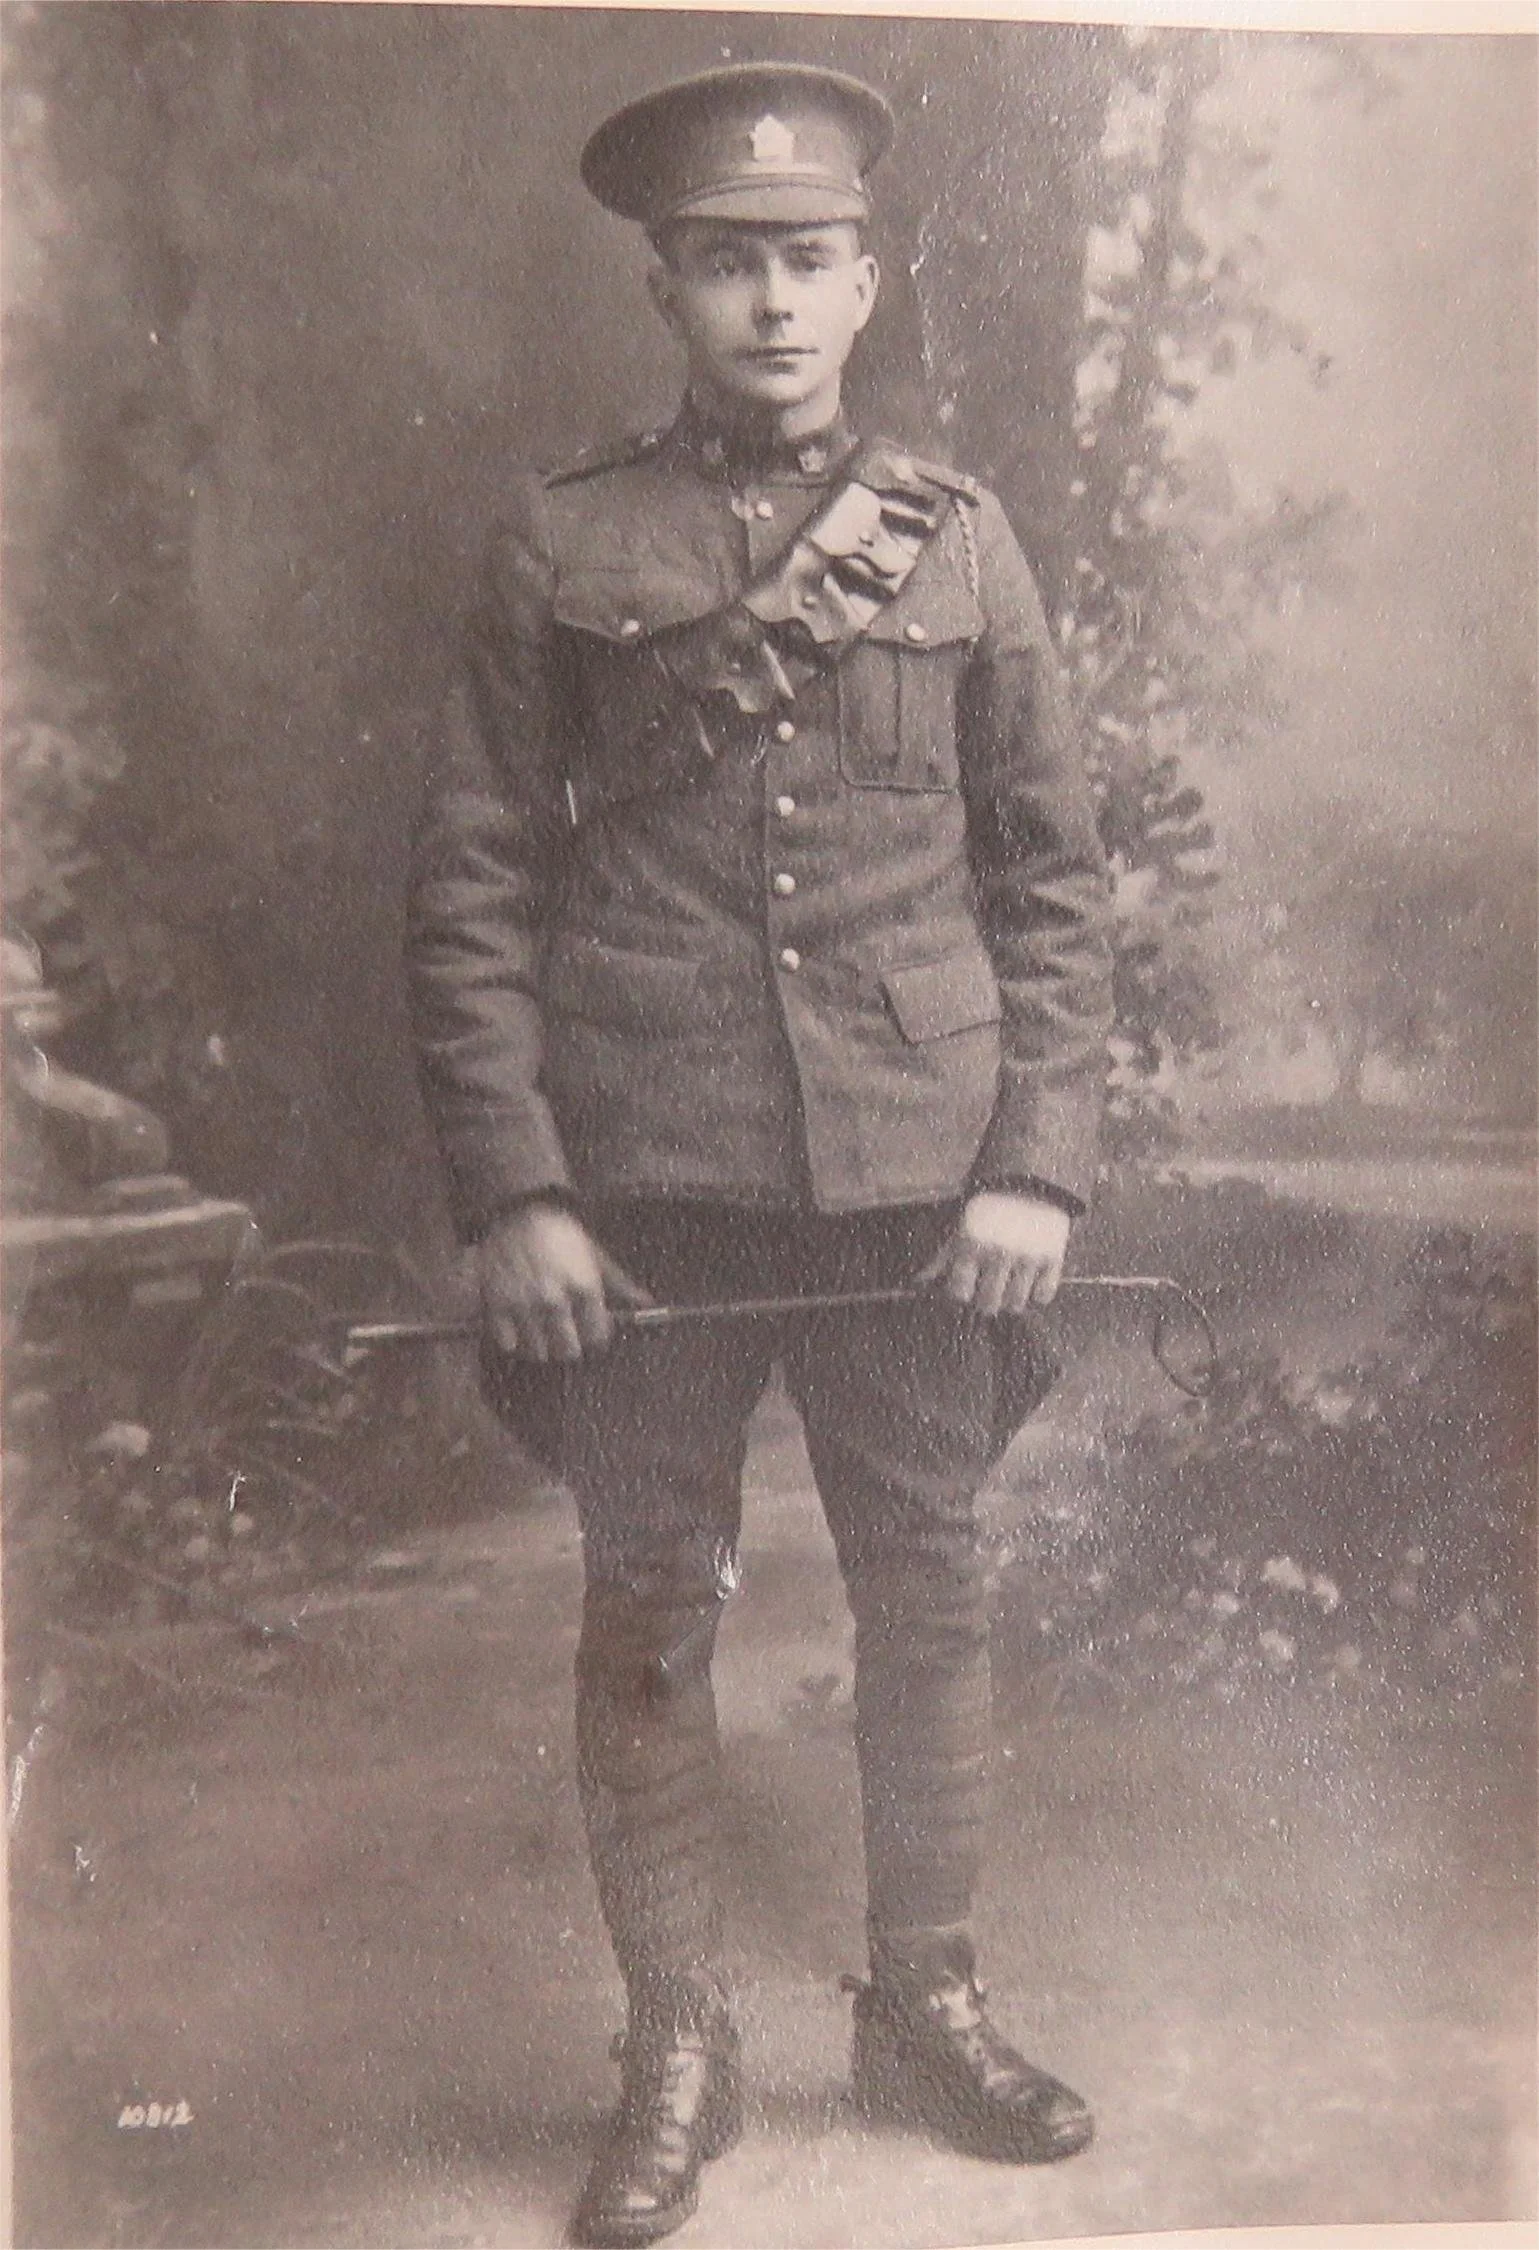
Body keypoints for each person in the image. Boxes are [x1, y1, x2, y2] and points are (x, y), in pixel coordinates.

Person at [408, 60, 1114, 2248]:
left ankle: (923, 2001)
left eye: (810, 259)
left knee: (928, 1592)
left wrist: (1038, 1169)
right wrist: (519, 1189)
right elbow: (469, 888)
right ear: (665, 286)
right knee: (644, 1609)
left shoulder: (961, 537)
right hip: (646, 1177)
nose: (775, 302)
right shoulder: (562, 539)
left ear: (870, 276)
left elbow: (1053, 888)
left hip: (925, 1183)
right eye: (731, 264)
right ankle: (678, 2050)